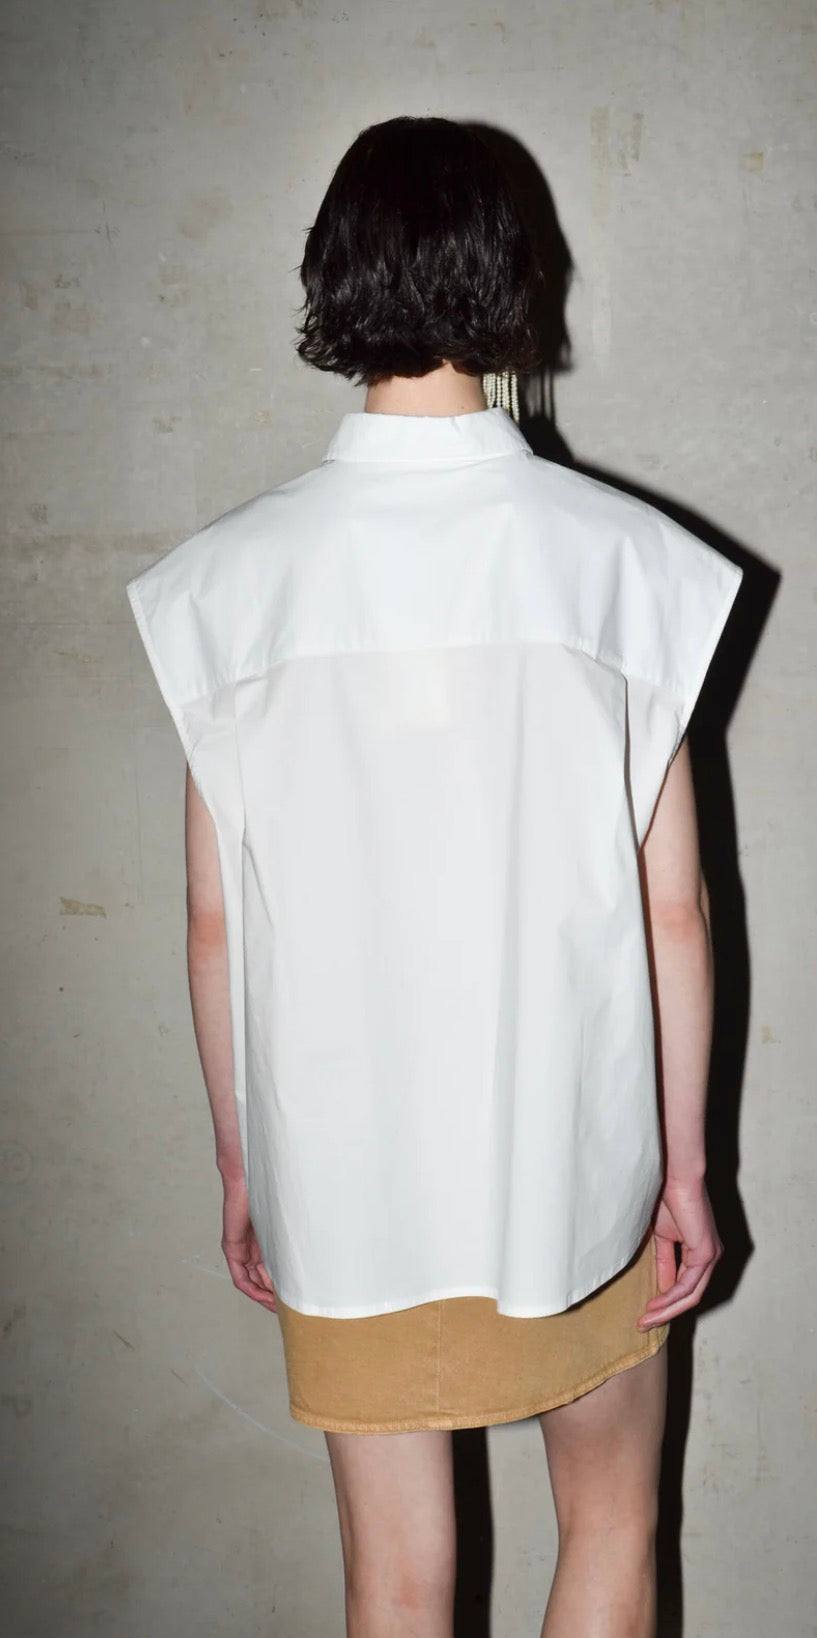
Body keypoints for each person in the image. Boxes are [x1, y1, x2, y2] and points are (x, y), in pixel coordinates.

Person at [128, 116, 743, 1638]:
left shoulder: (225, 585)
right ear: (515, 282)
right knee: (613, 1526)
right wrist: (684, 1170)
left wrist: (242, 1166)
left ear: (331, 277)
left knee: (394, 1584)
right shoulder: (625, 561)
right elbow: (673, 909)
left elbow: (216, 922)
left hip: (345, 1183)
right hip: (575, 1170)